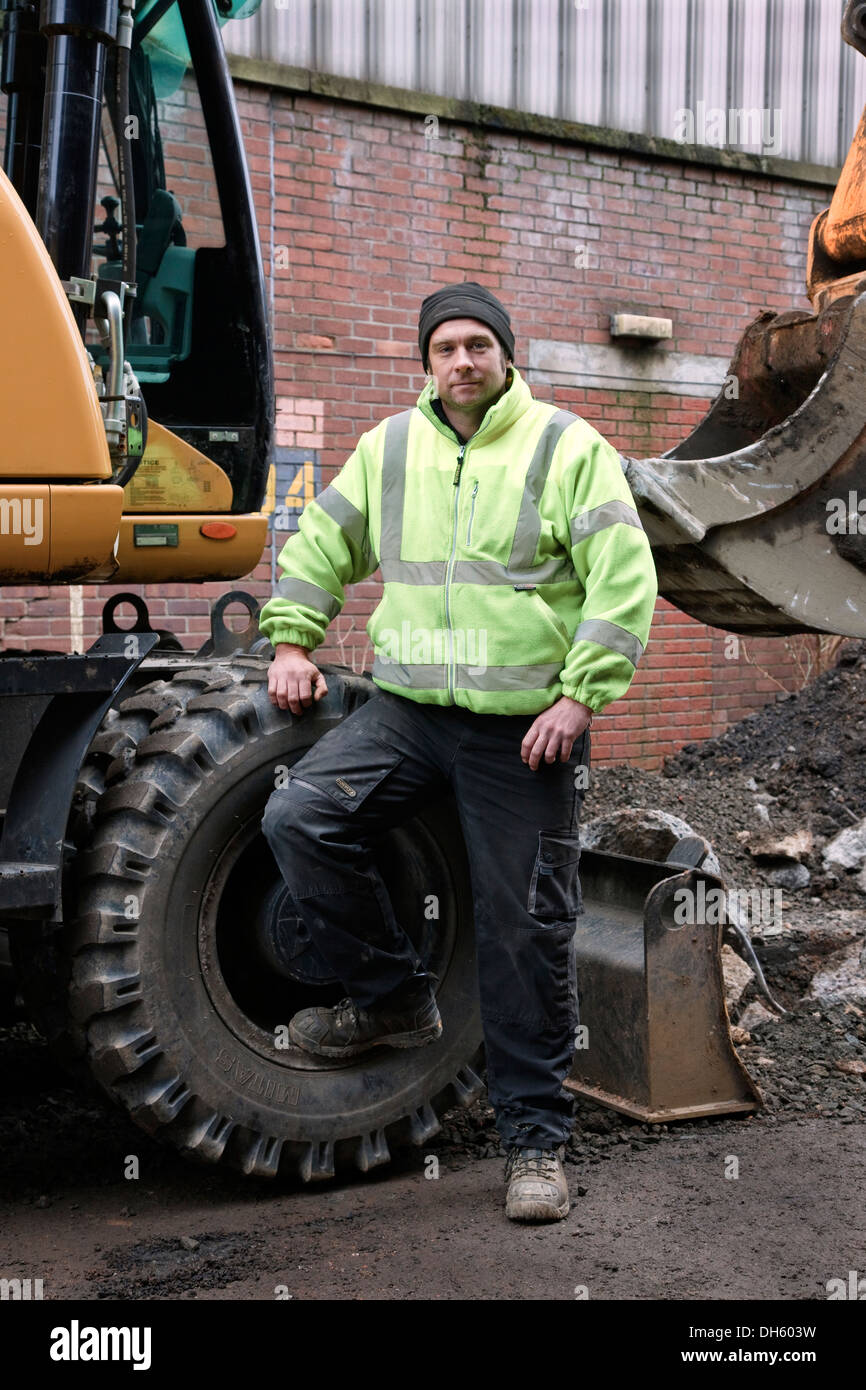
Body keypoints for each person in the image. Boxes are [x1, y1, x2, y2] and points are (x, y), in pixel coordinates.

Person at [259, 281, 658, 1221]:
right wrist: (290, 639)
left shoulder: (566, 446)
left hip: (522, 729)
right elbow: (326, 539)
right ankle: (395, 998)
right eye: (446, 348)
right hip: (409, 713)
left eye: (479, 344)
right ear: (426, 363)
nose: (463, 361)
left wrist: (577, 697)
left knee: (525, 933)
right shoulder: (389, 447)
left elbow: (622, 576)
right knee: (301, 814)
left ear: (506, 356)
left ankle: (535, 1145)